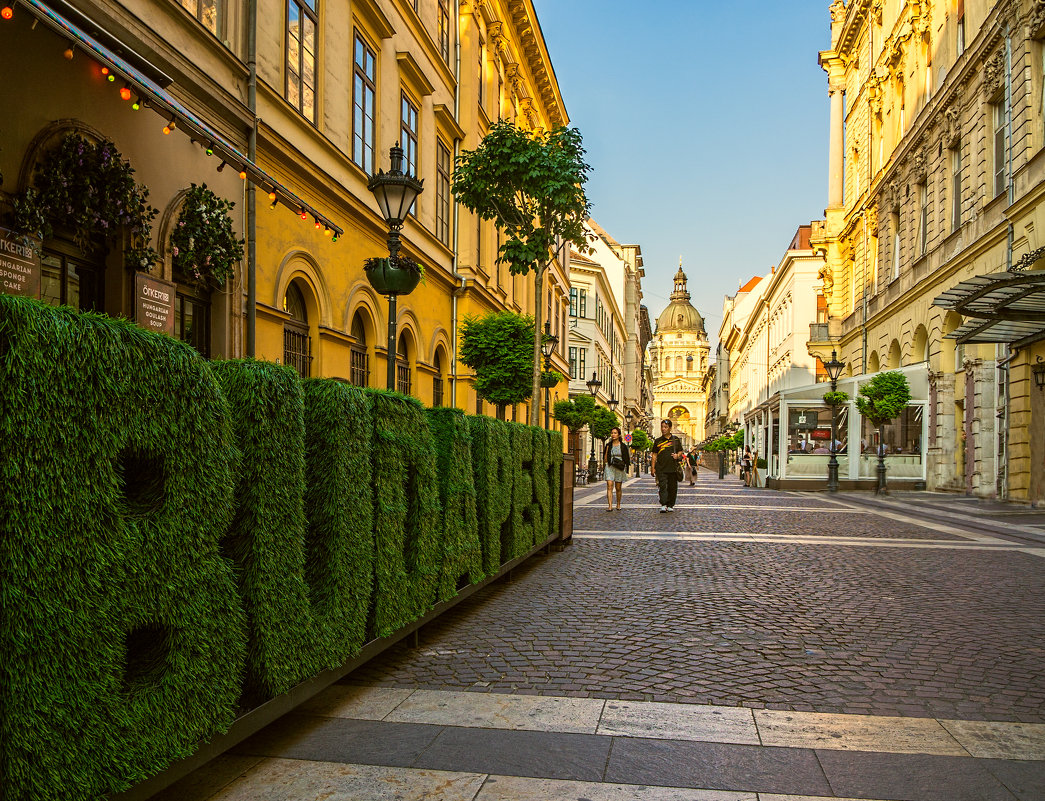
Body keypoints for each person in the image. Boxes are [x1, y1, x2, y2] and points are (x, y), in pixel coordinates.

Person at [651, 419, 684, 512]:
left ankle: (670, 504)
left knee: (672, 487)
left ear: (670, 428)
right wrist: (652, 468)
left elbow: (680, 451)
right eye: (662, 427)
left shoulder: (676, 439)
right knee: (662, 486)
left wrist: (678, 455)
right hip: (661, 467)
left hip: (673, 468)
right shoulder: (657, 441)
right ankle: (664, 504)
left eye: (665, 427)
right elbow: (654, 455)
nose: (663, 429)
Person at [603, 427, 631, 511]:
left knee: (618, 487)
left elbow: (626, 458)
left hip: (619, 467)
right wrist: (605, 463)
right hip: (610, 466)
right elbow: (605, 457)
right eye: (612, 433)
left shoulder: (623, 446)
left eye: (615, 433)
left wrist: (626, 468)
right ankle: (610, 506)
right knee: (609, 485)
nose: (613, 434)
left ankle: (618, 504)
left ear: (618, 435)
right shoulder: (608, 445)